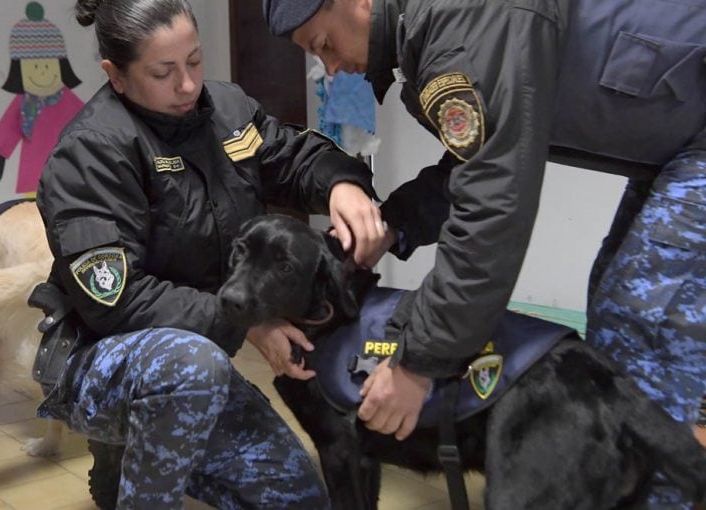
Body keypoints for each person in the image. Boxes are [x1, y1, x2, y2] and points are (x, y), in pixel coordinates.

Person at [262, 0, 706, 507]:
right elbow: (480, 164)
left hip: (692, 134)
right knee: (614, 334)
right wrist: (395, 225)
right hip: (677, 139)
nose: (332, 68)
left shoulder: (461, 20)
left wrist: (416, 363)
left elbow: (493, 208)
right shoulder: (430, 37)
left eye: (324, 45)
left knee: (641, 329)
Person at [32, 0, 386, 508]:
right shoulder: (90, 153)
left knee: (299, 498)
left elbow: (292, 156)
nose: (187, 85)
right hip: (99, 357)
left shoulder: (226, 110)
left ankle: (144, 443)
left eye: (195, 62)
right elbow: (118, 302)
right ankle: (127, 461)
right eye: (163, 71)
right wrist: (246, 324)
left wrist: (341, 184)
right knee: (193, 366)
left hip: (195, 354)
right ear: (117, 76)